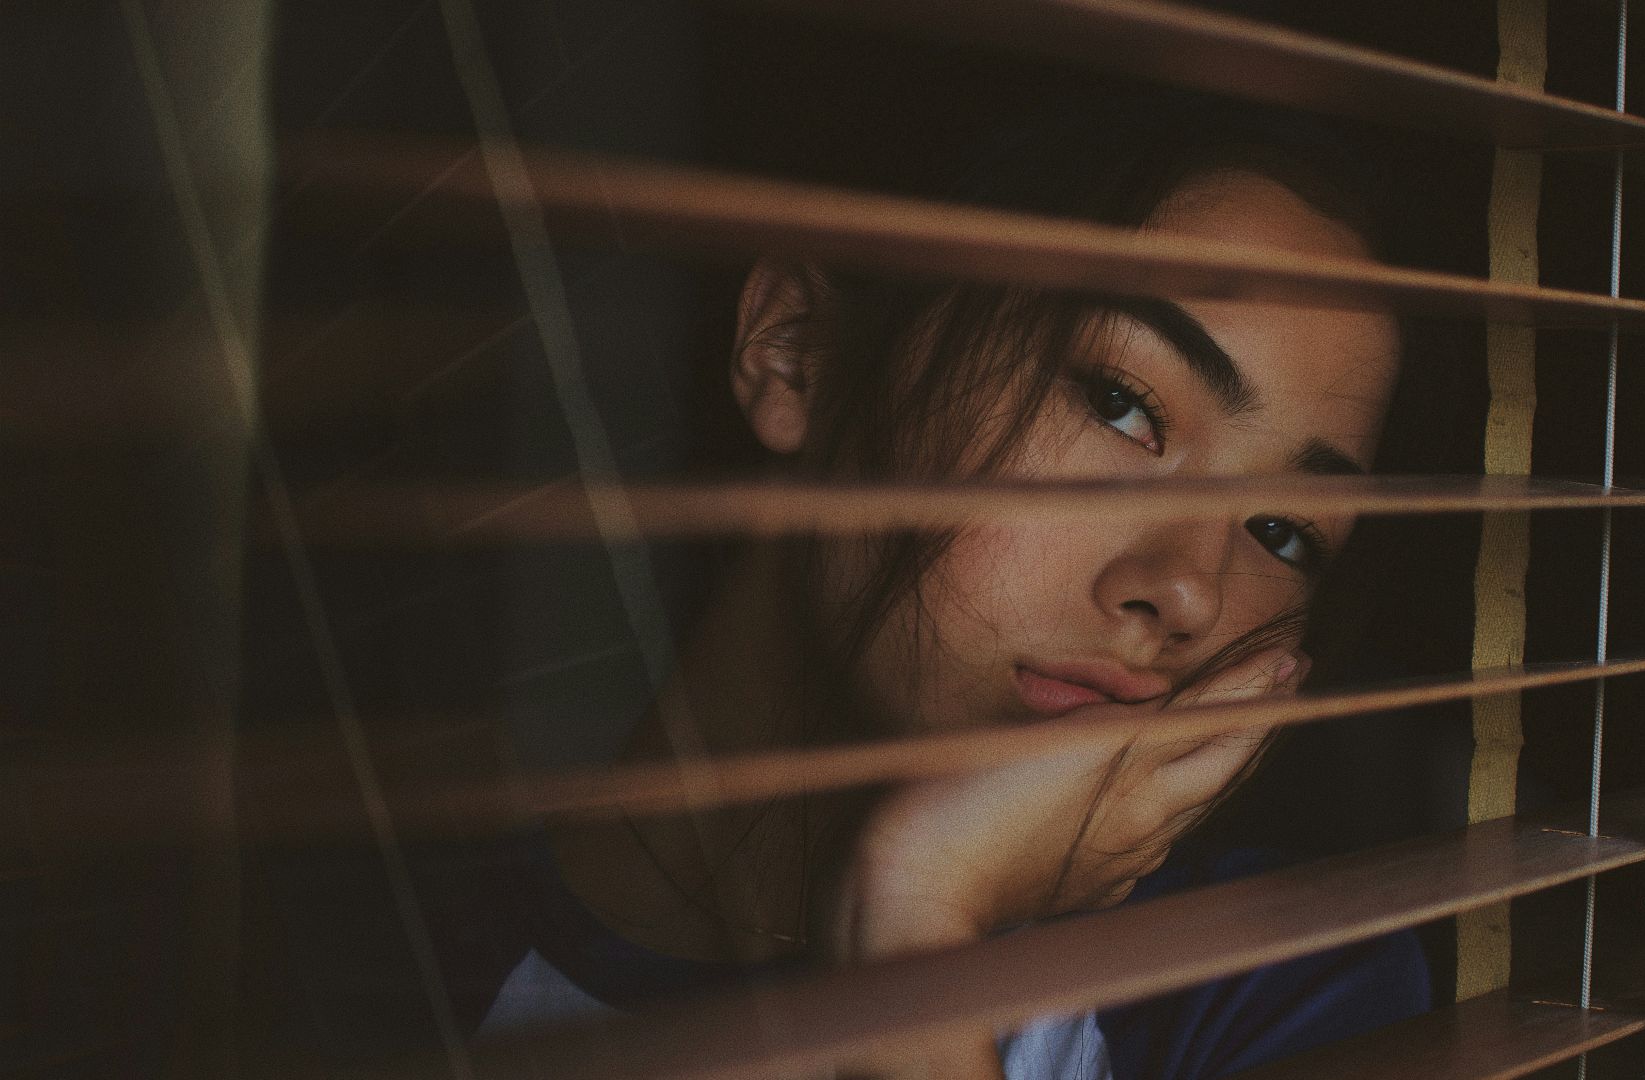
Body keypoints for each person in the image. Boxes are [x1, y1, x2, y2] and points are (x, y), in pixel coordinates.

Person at [481, 98, 1432, 1079]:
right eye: (1123, 405)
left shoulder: (1274, 995)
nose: (1191, 592)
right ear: (797, 352)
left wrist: (913, 924)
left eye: (1283, 532)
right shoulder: (389, 952)